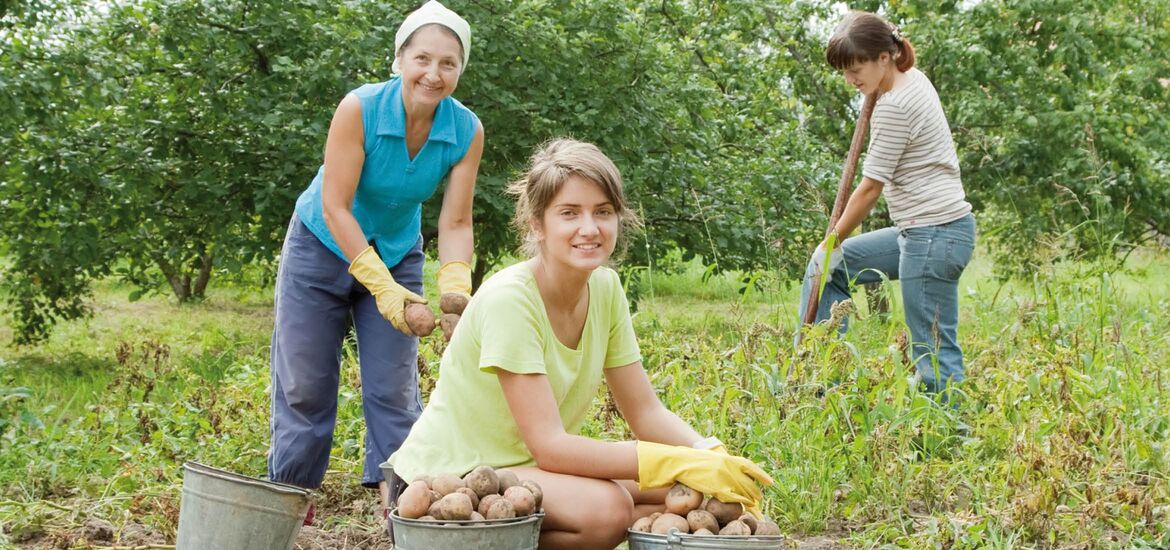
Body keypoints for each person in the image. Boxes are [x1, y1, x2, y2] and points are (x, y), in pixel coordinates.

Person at [386, 139, 772, 549]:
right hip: (450, 486)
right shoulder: (510, 300)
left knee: (692, 492)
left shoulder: (604, 288)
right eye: (569, 213)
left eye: (603, 212)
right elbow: (550, 446)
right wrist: (671, 459)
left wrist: (709, 453)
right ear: (538, 223)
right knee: (606, 509)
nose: (590, 229)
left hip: (527, 472)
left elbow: (645, 410)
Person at [267, 0, 484, 524]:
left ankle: (398, 503)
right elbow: (335, 205)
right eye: (422, 59)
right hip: (321, 245)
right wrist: (380, 288)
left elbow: (455, 223)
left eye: (448, 63)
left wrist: (456, 290)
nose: (433, 74)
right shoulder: (360, 108)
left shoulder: (466, 130)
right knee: (304, 383)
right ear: (399, 59)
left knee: (393, 385)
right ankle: (293, 499)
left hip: (396, 249)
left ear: (460, 70)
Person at [798, 11, 976, 395]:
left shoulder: (896, 105)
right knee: (828, 270)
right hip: (926, 232)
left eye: (856, 66)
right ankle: (821, 383)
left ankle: (950, 436)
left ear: (884, 56)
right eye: (845, 70)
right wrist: (830, 254)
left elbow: (869, 189)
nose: (850, 79)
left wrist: (832, 240)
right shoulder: (913, 78)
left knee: (932, 349)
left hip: (934, 235)